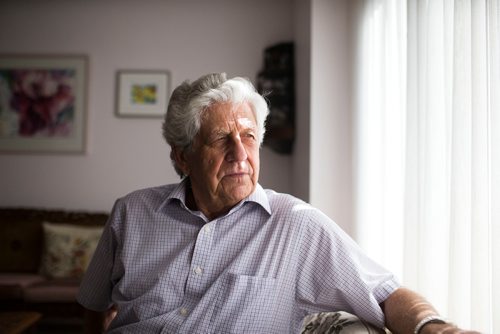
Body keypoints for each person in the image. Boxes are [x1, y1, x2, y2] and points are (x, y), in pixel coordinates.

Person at [77, 73, 478, 334]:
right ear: (182, 156)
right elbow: (93, 307)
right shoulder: (131, 213)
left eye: (249, 137)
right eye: (220, 139)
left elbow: (385, 294)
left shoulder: (296, 225)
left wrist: (438, 330)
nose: (240, 154)